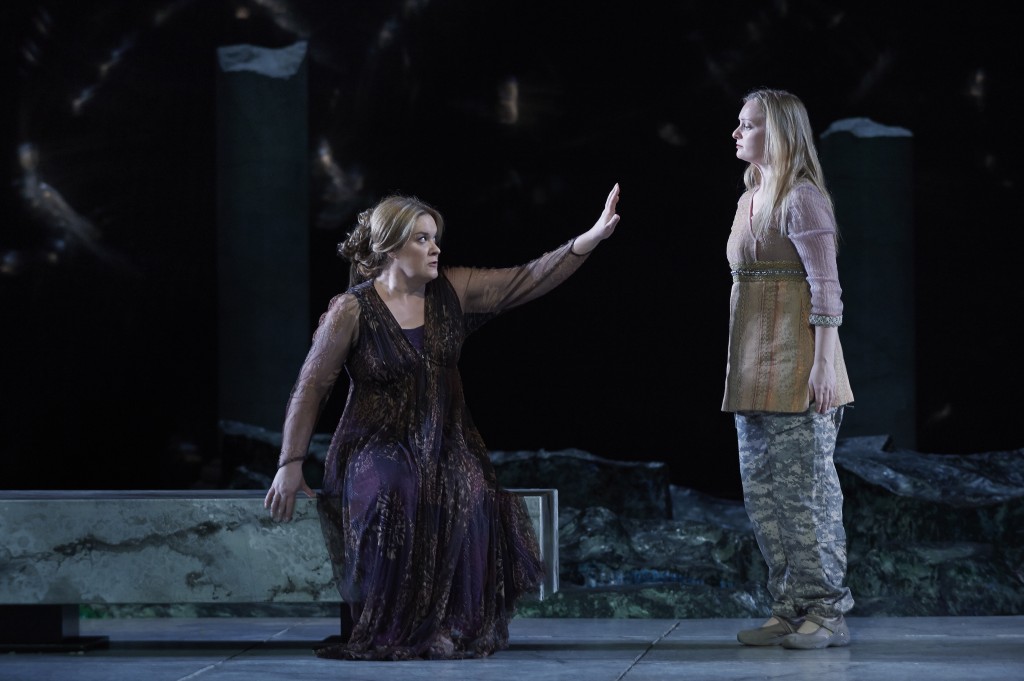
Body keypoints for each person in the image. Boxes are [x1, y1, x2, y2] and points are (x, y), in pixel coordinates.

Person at [264, 184, 622, 660]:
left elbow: (526, 279)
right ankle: (395, 629)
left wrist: (590, 238)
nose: (435, 248)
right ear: (391, 247)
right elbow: (311, 387)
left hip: (444, 438)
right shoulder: (352, 309)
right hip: (374, 441)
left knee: (471, 489)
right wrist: (290, 462)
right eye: (422, 239)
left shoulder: (452, 289)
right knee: (396, 487)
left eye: (435, 237)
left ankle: (453, 628)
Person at [723, 88, 855, 650]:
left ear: (776, 133)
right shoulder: (749, 198)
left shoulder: (802, 199)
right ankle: (790, 606)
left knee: (807, 498)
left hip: (800, 367)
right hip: (752, 369)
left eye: (748, 124)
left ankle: (827, 612)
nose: (737, 132)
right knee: (764, 498)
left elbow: (826, 288)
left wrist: (823, 366)